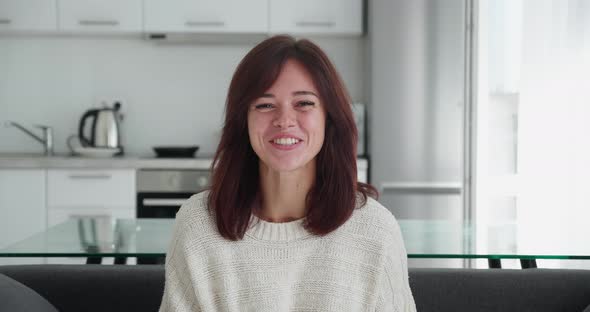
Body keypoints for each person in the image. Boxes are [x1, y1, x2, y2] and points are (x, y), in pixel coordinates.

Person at [159, 35, 416, 312]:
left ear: (329, 118)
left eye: (304, 103)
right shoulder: (197, 227)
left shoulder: (376, 231)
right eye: (265, 105)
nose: (284, 120)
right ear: (242, 121)